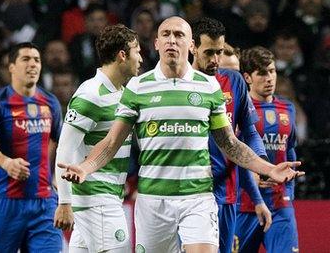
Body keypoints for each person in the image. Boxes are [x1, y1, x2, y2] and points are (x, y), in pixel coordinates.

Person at [59, 17, 303, 253]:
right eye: (165, 34)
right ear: (156, 43)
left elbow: (229, 142)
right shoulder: (137, 87)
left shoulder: (209, 87)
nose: (171, 40)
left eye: (179, 35)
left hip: (197, 196)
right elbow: (112, 141)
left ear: (191, 45)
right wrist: (86, 167)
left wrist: (268, 168)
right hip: (153, 200)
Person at [53, 24, 142, 253]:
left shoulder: (122, 93)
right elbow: (64, 149)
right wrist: (64, 202)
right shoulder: (91, 94)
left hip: (103, 198)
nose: (141, 58)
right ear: (123, 55)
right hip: (97, 199)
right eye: (137, 51)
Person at [190, 17, 272, 253]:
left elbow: (249, 132)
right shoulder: (179, 83)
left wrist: (261, 161)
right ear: (193, 47)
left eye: (219, 52)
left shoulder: (233, 81)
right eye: (209, 52)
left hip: (225, 193)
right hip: (189, 191)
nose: (215, 59)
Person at [0, 42, 63, 252]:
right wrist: (7, 163)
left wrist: (56, 179)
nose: (32, 64)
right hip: (6, 202)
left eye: (37, 60)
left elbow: (62, 142)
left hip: (44, 203)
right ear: (11, 67)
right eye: (25, 59)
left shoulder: (50, 103)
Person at [234, 46, 300, 252]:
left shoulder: (288, 109)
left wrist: (289, 191)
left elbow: (290, 150)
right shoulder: (238, 110)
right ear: (247, 77)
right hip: (245, 205)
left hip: (280, 205)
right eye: (262, 73)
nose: (269, 78)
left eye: (272, 71)